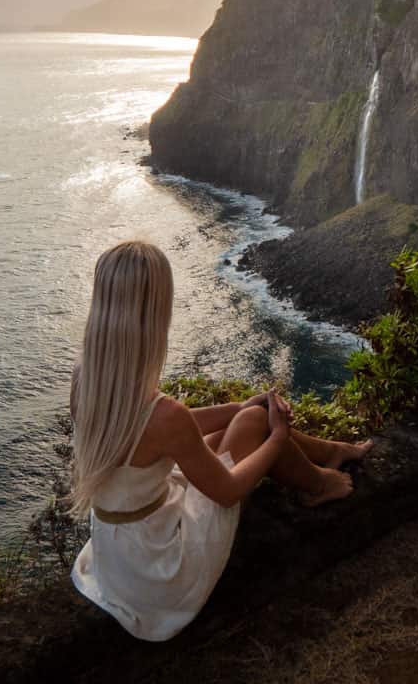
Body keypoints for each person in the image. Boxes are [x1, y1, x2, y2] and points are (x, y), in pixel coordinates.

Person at [67, 240, 371, 641]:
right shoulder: (164, 415)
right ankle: (319, 483)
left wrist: (232, 407)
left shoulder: (84, 380)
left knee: (244, 417)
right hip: (161, 570)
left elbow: (155, 430)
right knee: (254, 424)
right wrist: (277, 437)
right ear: (154, 312)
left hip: (121, 555)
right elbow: (227, 492)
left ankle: (329, 453)